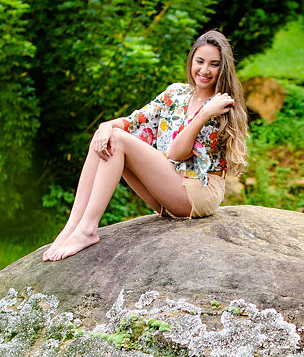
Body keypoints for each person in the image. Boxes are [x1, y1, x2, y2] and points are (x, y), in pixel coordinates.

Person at [42, 30, 248, 261]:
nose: (204, 70)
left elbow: (177, 153)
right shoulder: (176, 93)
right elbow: (134, 121)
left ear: (223, 68)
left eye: (214, 64)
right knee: (105, 136)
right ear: (191, 60)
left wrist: (203, 114)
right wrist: (105, 126)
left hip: (197, 192)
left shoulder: (221, 105)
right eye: (200, 61)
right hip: (169, 188)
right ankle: (72, 227)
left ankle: (88, 229)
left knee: (117, 139)